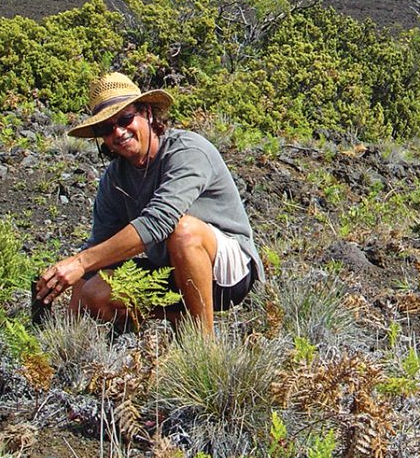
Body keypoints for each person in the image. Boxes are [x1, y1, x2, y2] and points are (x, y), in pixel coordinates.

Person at [35, 72, 263, 333]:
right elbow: (97, 250)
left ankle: (204, 344)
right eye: (106, 128)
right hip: (168, 269)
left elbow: (159, 221)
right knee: (95, 292)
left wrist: (79, 263)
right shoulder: (115, 178)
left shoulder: (187, 151)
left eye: (125, 119)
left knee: (183, 231)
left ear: (147, 113)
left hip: (226, 274)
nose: (118, 132)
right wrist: (66, 321)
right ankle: (179, 321)